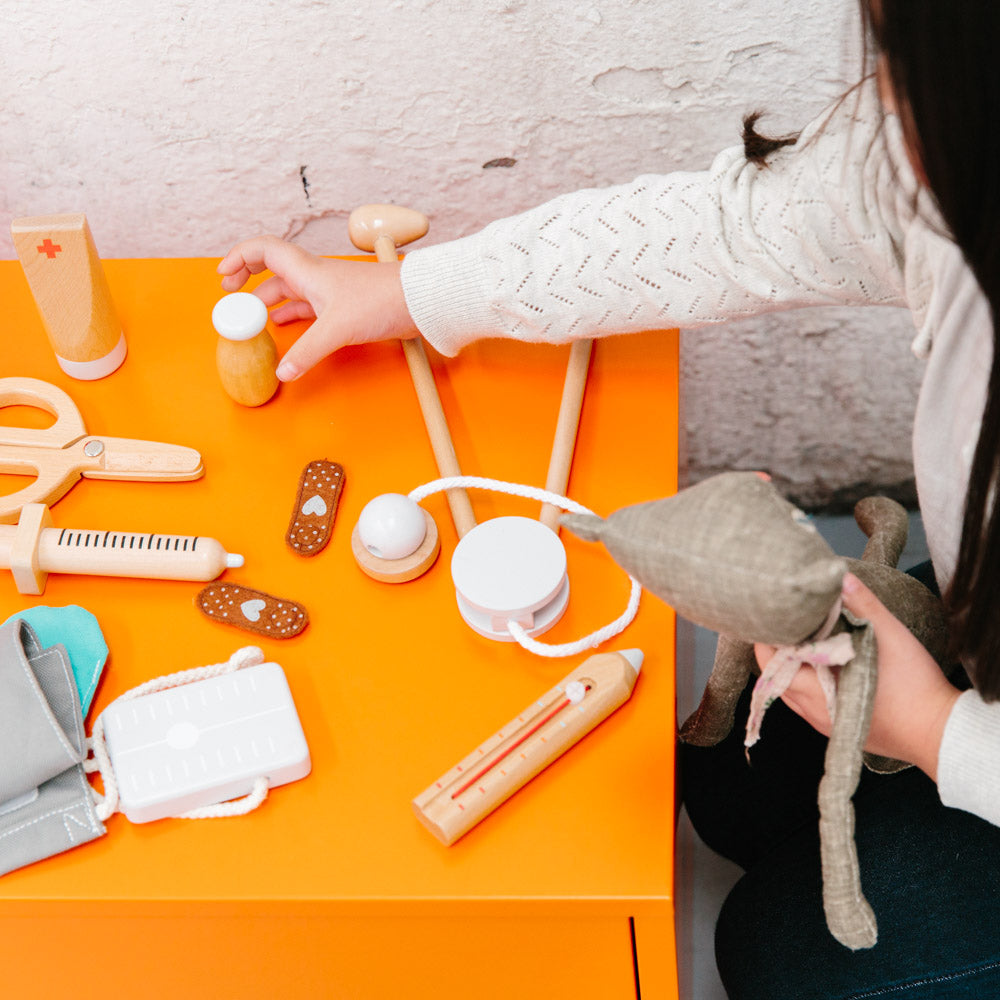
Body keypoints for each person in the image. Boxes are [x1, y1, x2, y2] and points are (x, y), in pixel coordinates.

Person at [219, 2, 1000, 995]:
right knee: (721, 791)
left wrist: (941, 737)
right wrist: (416, 293)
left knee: (766, 956)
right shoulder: (946, 169)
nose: (884, 104)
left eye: (900, 60)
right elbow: (731, 229)